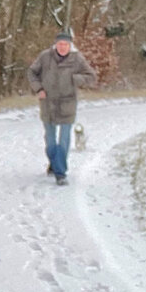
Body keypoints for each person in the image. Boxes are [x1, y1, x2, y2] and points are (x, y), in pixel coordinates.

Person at [27, 28, 97, 186]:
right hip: (48, 103)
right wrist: (39, 89)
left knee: (64, 140)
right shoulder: (45, 56)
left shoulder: (77, 58)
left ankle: (60, 173)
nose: (62, 47)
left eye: (65, 44)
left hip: (68, 103)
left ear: (70, 45)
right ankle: (54, 162)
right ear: (55, 45)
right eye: (60, 44)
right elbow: (31, 72)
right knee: (50, 141)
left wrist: (75, 79)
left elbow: (91, 77)